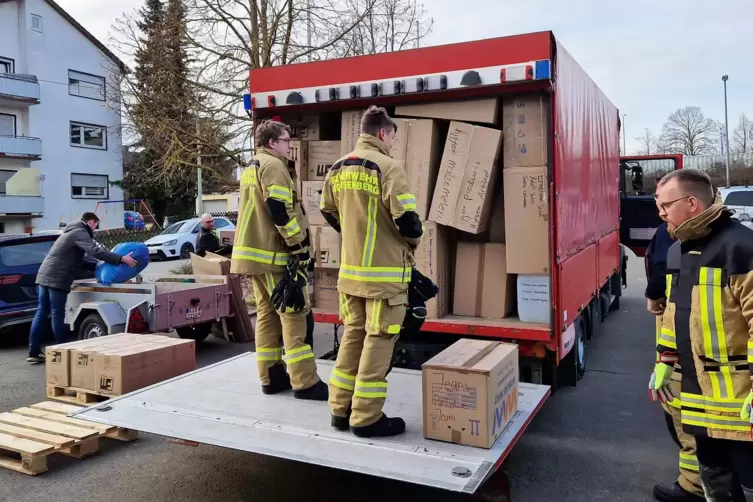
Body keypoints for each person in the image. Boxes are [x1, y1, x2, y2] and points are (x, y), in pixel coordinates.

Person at [650, 169, 753, 501]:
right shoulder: (682, 250)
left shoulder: (740, 247)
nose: (660, 213)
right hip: (700, 399)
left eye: (666, 205)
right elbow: (674, 315)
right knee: (715, 480)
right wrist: (665, 360)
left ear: (692, 203)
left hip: (738, 401)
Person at [320, 106, 422, 438]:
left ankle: (340, 409)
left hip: (349, 275)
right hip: (384, 277)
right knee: (379, 340)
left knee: (353, 335)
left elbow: (327, 211)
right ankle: (366, 417)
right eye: (392, 135)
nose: (393, 141)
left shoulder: (336, 168)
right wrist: (411, 242)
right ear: (382, 133)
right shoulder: (389, 168)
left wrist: (354, 233)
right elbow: (408, 221)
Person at [230, 120, 327, 400]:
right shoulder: (274, 166)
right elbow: (279, 211)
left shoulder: (252, 166)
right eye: (286, 140)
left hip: (253, 258)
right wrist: (298, 247)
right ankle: (305, 382)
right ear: (272, 142)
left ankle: (271, 377)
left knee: (267, 316)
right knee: (294, 315)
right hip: (275, 256)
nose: (290, 145)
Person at [27, 212, 137, 363]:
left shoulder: (69, 232)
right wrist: (120, 258)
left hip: (44, 275)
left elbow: (78, 261)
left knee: (42, 312)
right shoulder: (80, 231)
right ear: (91, 222)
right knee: (57, 314)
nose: (95, 229)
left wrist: (97, 266)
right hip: (58, 278)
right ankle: (64, 353)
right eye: (96, 226)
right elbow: (95, 251)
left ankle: (33, 352)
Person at [646, 221, 704, 502]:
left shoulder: (673, 237)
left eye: (666, 204)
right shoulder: (735, 241)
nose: (661, 212)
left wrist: (652, 296)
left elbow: (661, 272)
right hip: (708, 349)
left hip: (684, 343)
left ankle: (692, 486)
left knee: (681, 411)